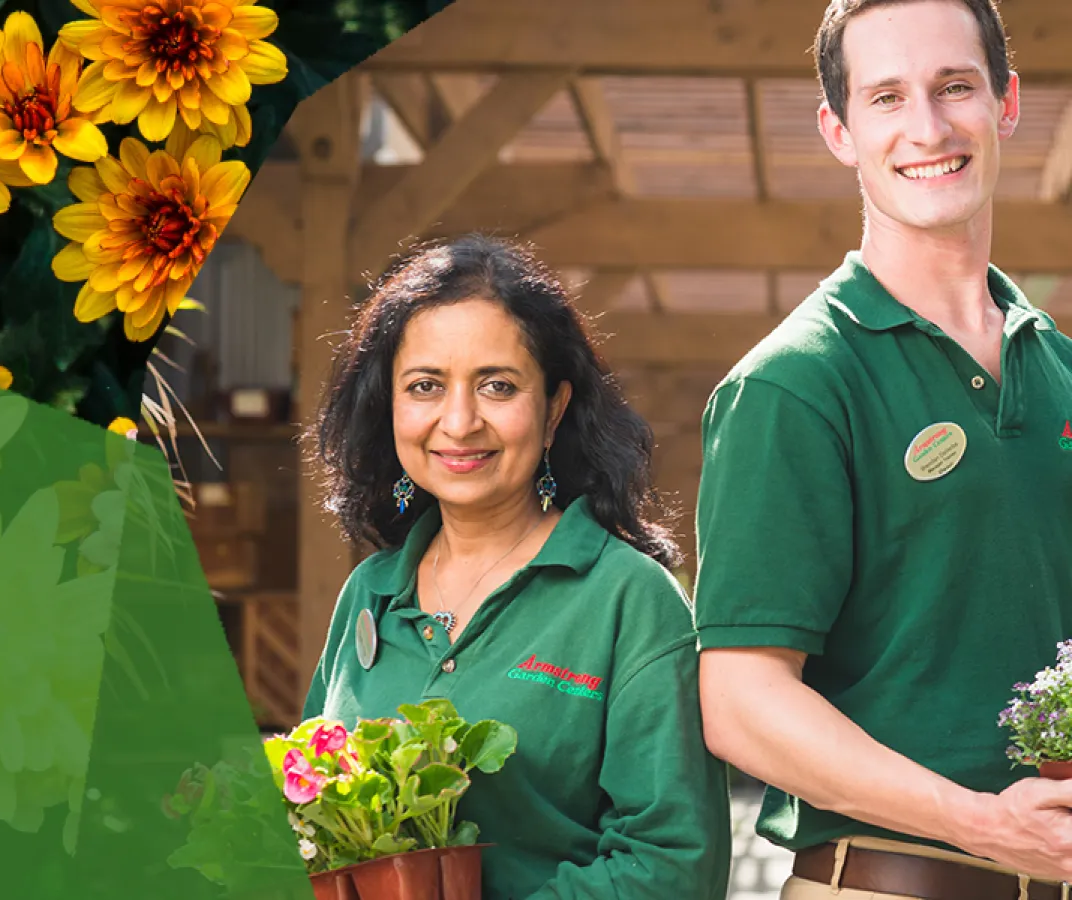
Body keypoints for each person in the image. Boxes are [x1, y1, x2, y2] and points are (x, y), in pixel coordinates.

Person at [694, 1, 1072, 897]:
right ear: (839, 129)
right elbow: (742, 705)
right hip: (882, 885)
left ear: (1006, 103)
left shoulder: (1057, 365)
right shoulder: (791, 385)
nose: (929, 128)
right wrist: (984, 824)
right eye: (888, 97)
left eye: (955, 88)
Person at [301, 234, 732, 899]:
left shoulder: (628, 599)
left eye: (497, 386)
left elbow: (673, 865)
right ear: (390, 406)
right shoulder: (369, 592)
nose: (459, 420)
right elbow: (311, 819)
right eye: (425, 386)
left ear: (554, 407)